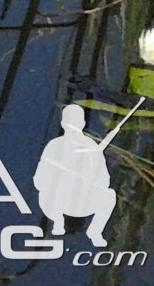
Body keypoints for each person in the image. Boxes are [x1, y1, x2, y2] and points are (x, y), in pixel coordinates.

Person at [35, 102, 118, 246]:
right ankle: (58, 221)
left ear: (83, 123)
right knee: (45, 194)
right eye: (69, 121)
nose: (73, 125)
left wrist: (89, 178)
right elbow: (39, 180)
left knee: (109, 195)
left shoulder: (92, 147)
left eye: (76, 121)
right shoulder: (54, 146)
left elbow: (105, 180)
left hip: (84, 202)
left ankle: (95, 231)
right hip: (58, 203)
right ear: (63, 123)